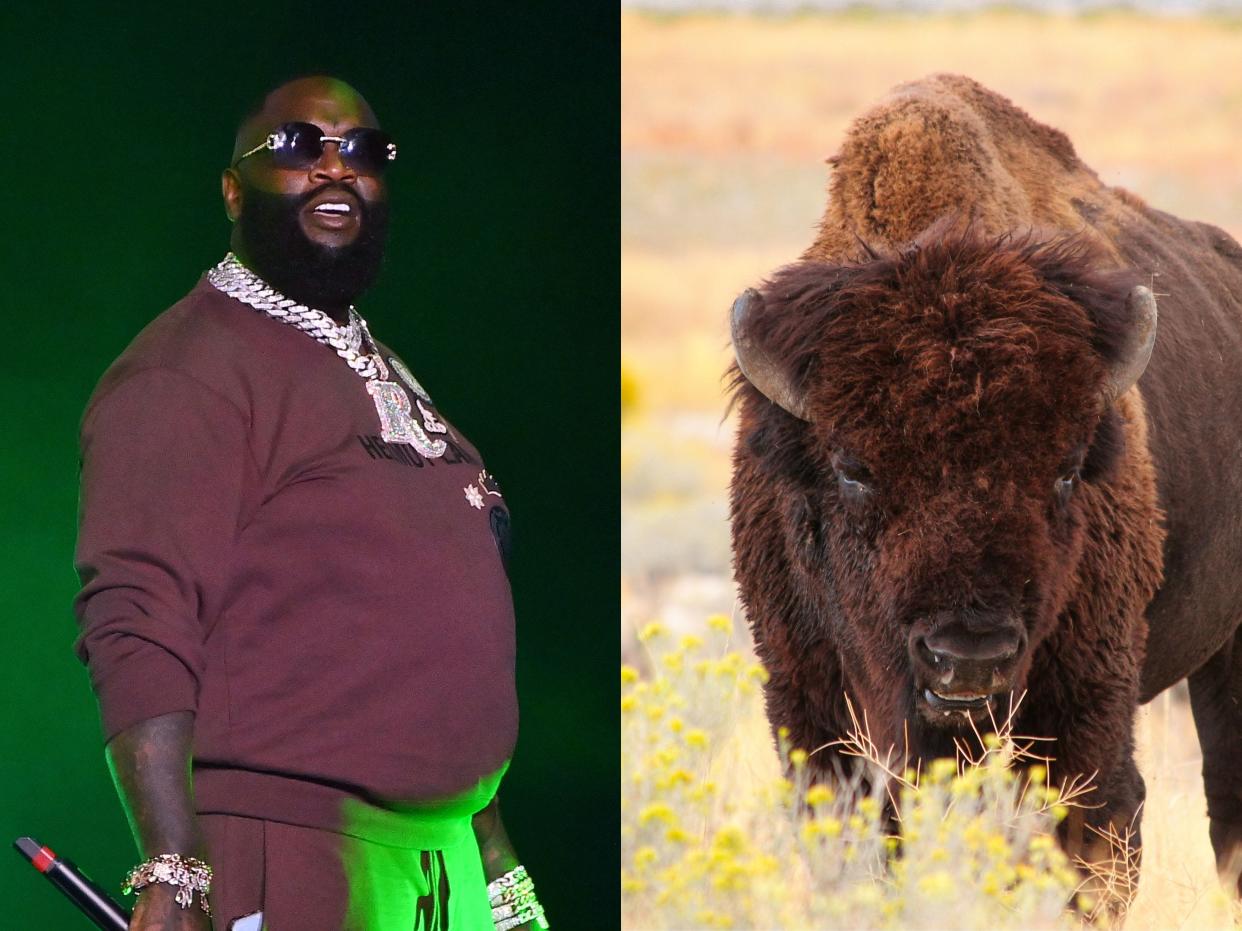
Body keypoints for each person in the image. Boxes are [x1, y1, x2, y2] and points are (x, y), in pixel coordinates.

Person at [73, 76, 547, 931]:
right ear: (230, 189)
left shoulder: (377, 362)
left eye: (363, 151)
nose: (337, 168)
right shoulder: (186, 371)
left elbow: (438, 645)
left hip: (447, 874)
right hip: (294, 854)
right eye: (297, 147)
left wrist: (499, 872)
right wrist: (173, 871)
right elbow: (136, 616)